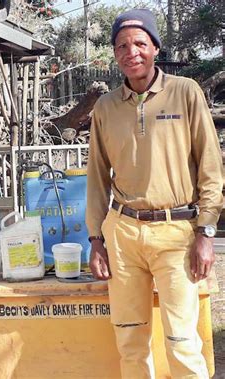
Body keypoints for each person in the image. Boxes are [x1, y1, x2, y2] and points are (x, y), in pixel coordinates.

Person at [86, 9, 222, 379]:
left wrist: (206, 231)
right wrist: (96, 239)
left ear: (155, 47)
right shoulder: (106, 107)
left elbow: (211, 167)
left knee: (181, 340)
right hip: (123, 233)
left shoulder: (185, 92)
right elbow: (97, 176)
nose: (132, 52)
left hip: (176, 231)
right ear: (114, 54)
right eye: (122, 46)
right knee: (130, 342)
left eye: (140, 43)